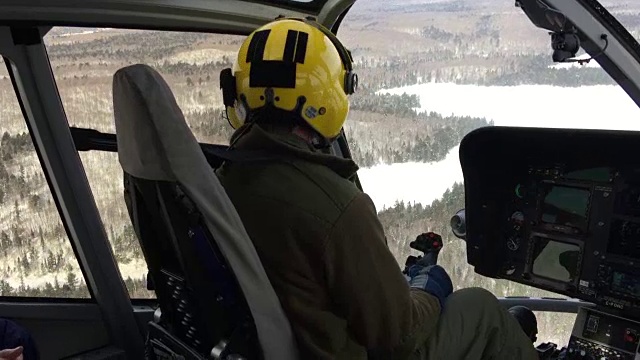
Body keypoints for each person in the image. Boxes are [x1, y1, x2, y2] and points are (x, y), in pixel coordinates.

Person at [216, 16, 539, 360]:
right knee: (481, 309)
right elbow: (400, 334)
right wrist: (431, 285)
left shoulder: (225, 176)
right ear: (327, 95)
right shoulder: (335, 205)